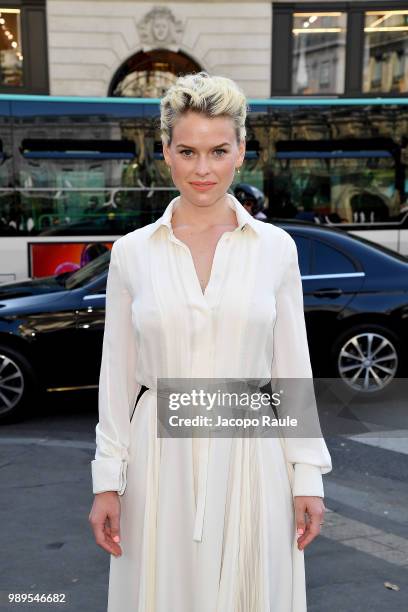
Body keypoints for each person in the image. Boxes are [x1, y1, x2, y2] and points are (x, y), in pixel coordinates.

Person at [88, 71, 332, 611]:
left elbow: (292, 367)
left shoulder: (275, 248)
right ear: (165, 153)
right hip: (158, 462)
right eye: (188, 151)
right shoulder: (132, 252)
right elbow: (117, 376)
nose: (203, 169)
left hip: (252, 455)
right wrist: (108, 480)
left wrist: (306, 477)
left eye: (219, 150)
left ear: (241, 151)